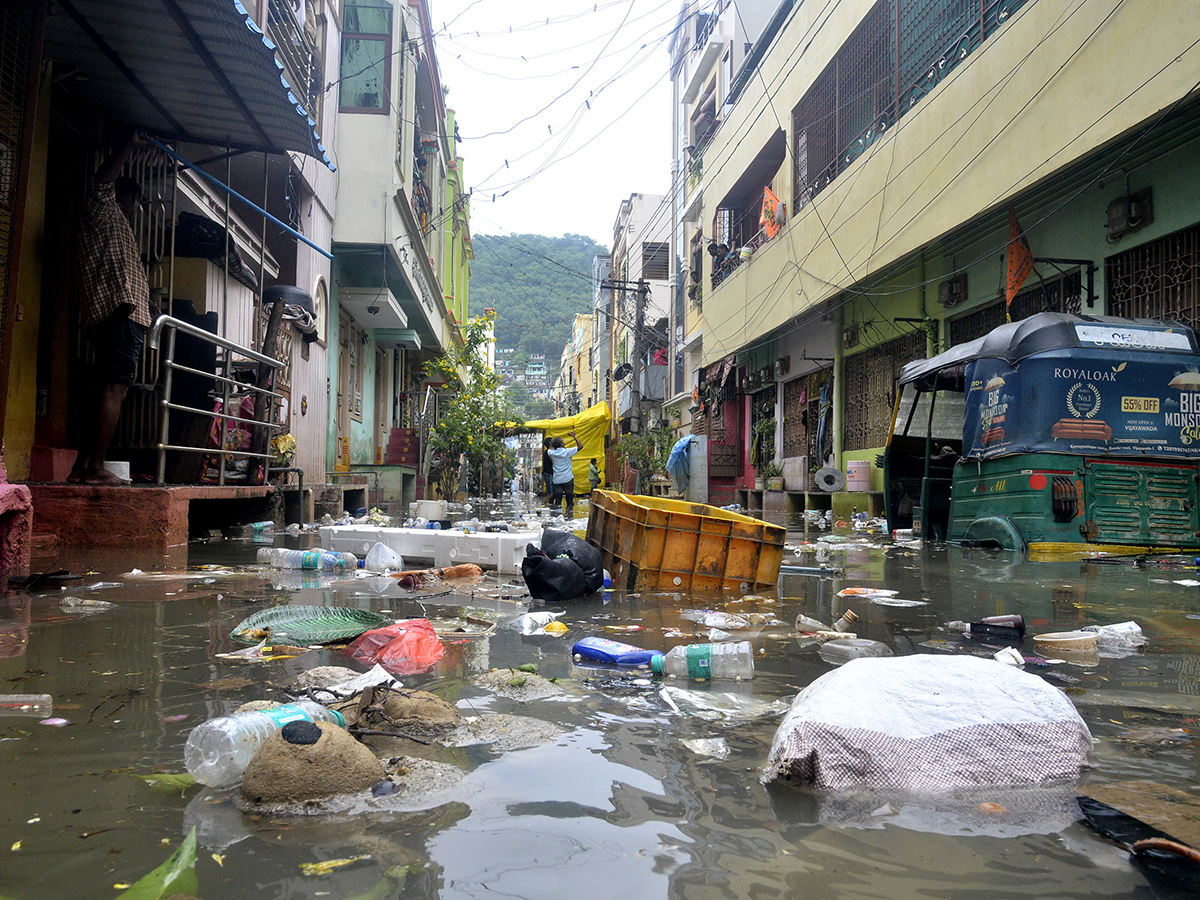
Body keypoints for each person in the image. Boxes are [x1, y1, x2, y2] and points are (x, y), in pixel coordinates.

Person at [69, 132, 155, 485]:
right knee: (113, 391)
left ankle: (81, 467)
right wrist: (129, 145)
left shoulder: (116, 225)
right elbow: (102, 181)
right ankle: (94, 468)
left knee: (106, 390)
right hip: (118, 314)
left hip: (121, 317)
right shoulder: (103, 210)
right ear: (127, 196)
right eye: (135, 201)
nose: (136, 209)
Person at [546, 428, 581, 518]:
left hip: (557, 480)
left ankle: (558, 515)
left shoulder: (551, 453)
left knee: (558, 500)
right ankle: (569, 516)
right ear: (561, 444)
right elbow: (580, 446)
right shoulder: (568, 452)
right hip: (568, 479)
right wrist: (574, 437)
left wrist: (554, 443)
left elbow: (550, 448)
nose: (564, 441)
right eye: (562, 441)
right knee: (569, 500)